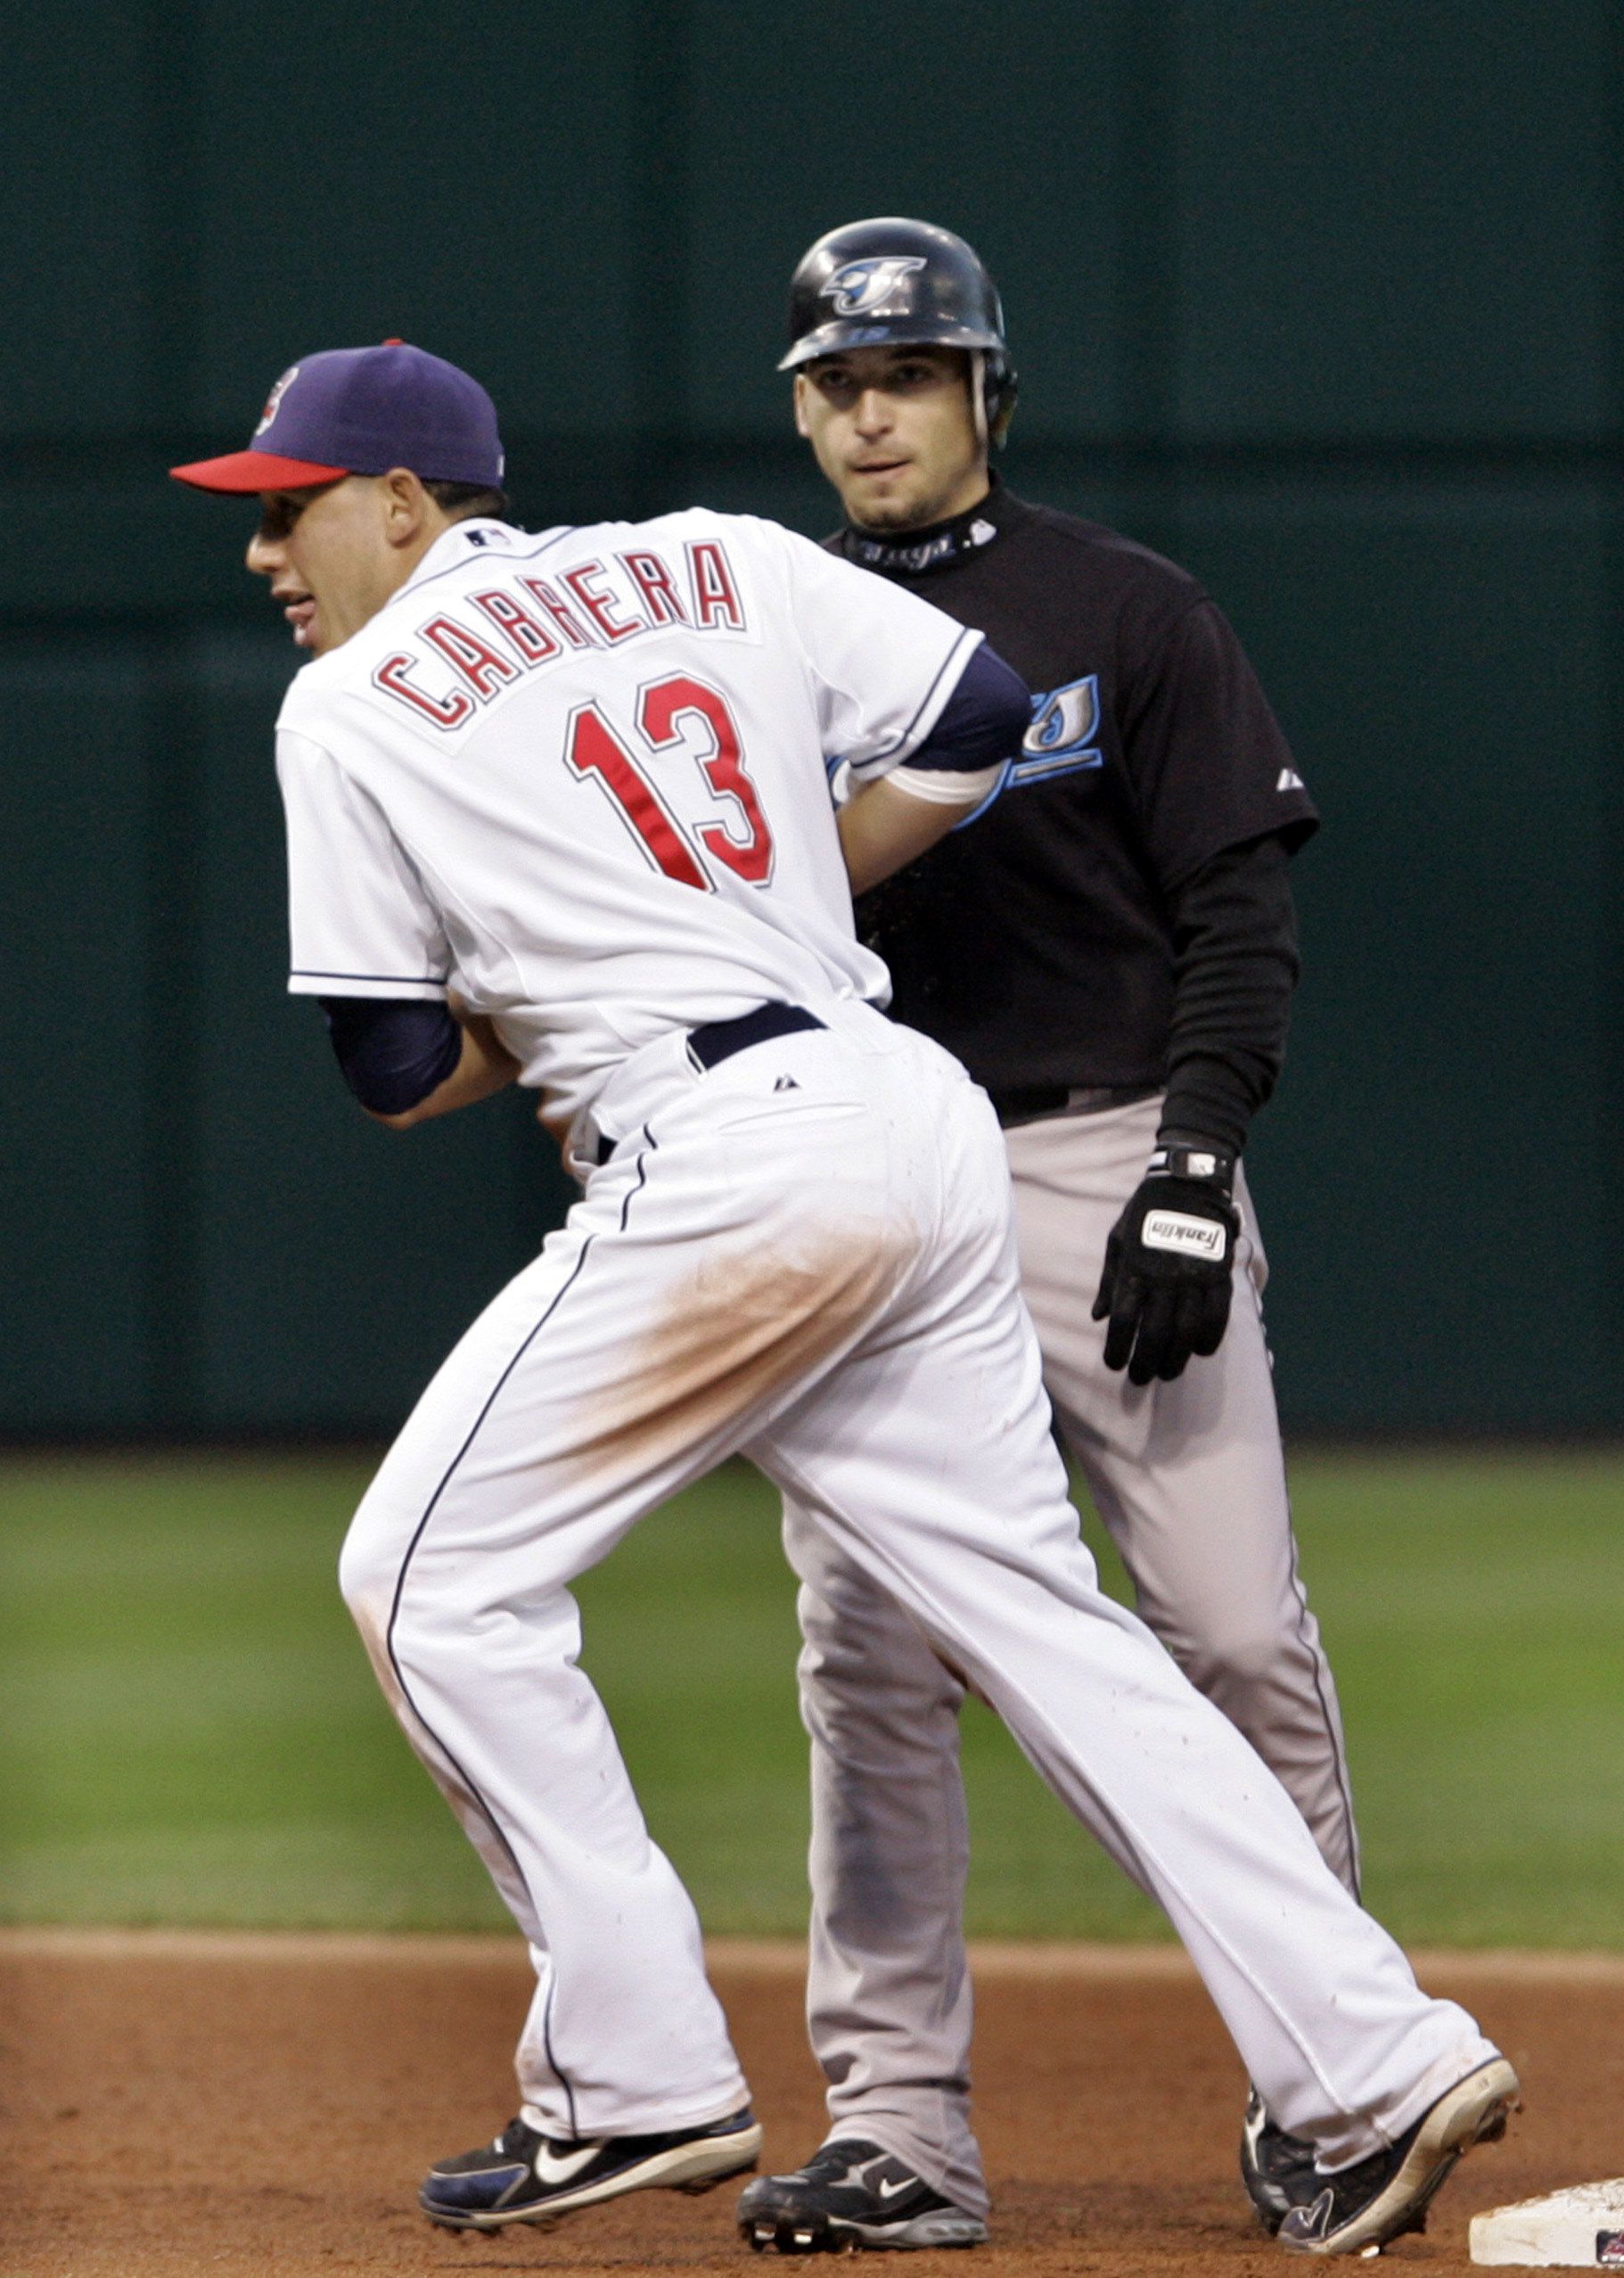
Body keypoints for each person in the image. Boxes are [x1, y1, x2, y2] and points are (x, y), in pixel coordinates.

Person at [169, 340, 1516, 2257]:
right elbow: (980, 710)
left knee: (425, 1579)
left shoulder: (353, 704)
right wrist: (801, 880)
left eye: (285, 508)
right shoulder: (713, 553)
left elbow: (392, 1068)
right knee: (1053, 1629)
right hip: (911, 1108)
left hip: (721, 1160)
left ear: (404, 504)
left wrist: (556, 976)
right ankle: (1377, 2057)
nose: (264, 553)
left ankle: (628, 2081)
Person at [729, 218, 1349, 2251]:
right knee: (870, 1662)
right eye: (837, 383)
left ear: (987, 392)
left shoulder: (1124, 609)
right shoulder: (754, 633)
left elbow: (1239, 913)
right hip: (873, 1191)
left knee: (1237, 1631)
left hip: (1106, 1160)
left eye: (907, 376)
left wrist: (1194, 1163)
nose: (870, 413)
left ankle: (1336, 2078)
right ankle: (899, 2127)